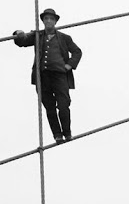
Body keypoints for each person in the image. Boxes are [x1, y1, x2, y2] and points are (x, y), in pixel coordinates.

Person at [12, 9, 82, 145]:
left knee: (63, 106)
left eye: (51, 19)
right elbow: (22, 41)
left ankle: (67, 133)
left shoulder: (64, 38)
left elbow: (77, 52)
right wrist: (18, 34)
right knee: (49, 107)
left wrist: (69, 66)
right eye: (46, 19)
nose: (48, 21)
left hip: (60, 76)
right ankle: (57, 135)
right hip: (43, 77)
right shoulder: (37, 35)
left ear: (55, 21)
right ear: (43, 21)